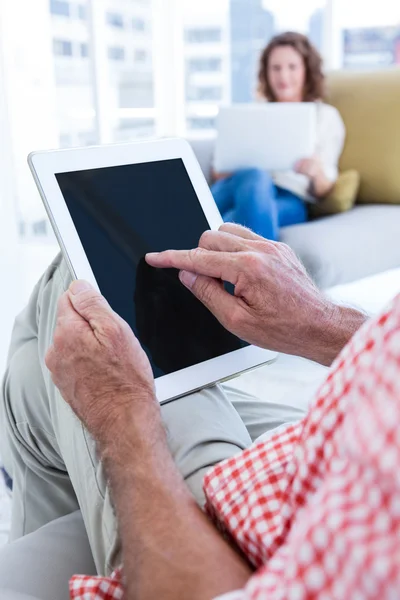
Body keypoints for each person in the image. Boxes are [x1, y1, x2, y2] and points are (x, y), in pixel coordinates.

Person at [0, 224, 367, 599]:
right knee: (36, 374)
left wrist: (121, 407)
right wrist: (326, 322)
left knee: (74, 285)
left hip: (257, 544)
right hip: (326, 449)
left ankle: (24, 451)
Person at [211, 32, 346, 241]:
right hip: (240, 185)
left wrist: (316, 171)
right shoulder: (252, 114)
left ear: (306, 70)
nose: (283, 76)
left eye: (292, 67)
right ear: (266, 72)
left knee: (231, 220)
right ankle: (259, 273)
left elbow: (324, 189)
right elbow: (217, 172)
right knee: (255, 176)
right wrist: (230, 164)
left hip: (290, 197)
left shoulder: (325, 116)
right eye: (276, 68)